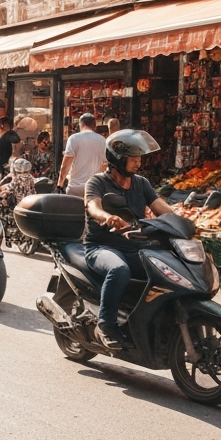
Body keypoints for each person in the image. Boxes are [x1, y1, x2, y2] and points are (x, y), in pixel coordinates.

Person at [83, 130, 171, 350]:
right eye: (133, 158)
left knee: (165, 270)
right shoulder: (97, 182)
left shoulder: (141, 183)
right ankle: (106, 325)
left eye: (139, 157)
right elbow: (93, 206)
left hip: (134, 245)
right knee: (119, 269)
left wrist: (183, 221)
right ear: (117, 159)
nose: (138, 162)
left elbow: (160, 208)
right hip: (101, 246)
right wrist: (107, 217)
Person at [59, 113, 108, 197]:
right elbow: (104, 166)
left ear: (81, 124)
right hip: (94, 187)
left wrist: (60, 184)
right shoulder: (102, 140)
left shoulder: (73, 139)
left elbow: (65, 166)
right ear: (95, 124)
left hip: (75, 187)